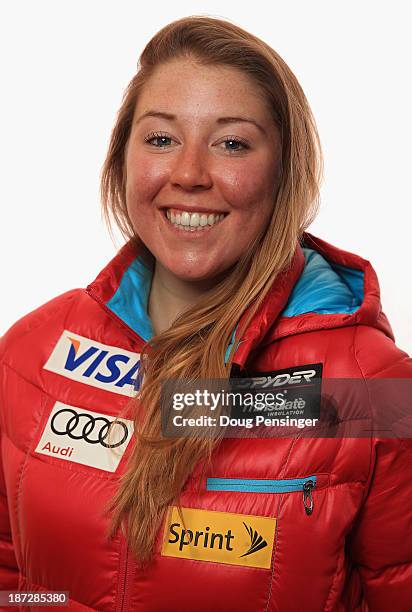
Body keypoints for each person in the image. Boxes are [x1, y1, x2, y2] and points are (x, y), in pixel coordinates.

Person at [0, 14, 411, 612]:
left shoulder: (369, 388)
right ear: (121, 160)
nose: (189, 175)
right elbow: (14, 579)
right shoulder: (34, 353)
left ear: (283, 173)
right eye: (162, 139)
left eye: (232, 143)